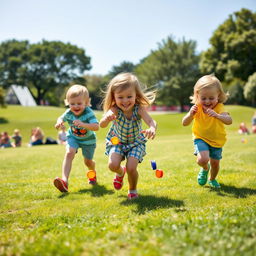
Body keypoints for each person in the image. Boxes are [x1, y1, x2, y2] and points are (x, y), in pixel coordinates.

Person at [99, 72, 157, 200]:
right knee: (112, 165)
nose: (125, 101)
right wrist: (106, 119)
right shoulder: (114, 109)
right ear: (114, 97)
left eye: (129, 96)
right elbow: (101, 125)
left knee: (131, 167)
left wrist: (152, 128)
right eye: (120, 97)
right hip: (117, 142)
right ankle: (120, 173)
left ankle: (132, 190)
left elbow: (151, 121)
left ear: (136, 95)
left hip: (135, 143)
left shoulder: (139, 109)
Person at [182, 74, 232, 189]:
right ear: (197, 96)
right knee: (202, 159)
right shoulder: (197, 108)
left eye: (211, 98)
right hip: (201, 138)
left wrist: (218, 115)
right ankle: (205, 168)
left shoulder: (219, 108)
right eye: (203, 98)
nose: (207, 101)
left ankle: (212, 179)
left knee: (215, 163)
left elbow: (229, 121)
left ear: (218, 96)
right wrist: (190, 114)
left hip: (217, 141)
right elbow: (184, 123)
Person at [53, 84, 99, 192]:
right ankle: (64, 181)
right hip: (73, 137)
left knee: (88, 162)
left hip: (88, 140)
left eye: (79, 103)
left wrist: (83, 124)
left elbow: (96, 127)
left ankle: (92, 173)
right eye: (72, 104)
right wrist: (59, 122)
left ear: (86, 102)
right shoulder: (69, 112)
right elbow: (61, 117)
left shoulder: (89, 113)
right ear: (68, 103)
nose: (76, 106)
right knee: (69, 153)